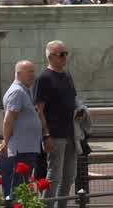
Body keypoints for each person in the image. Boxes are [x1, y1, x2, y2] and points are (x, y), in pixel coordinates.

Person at [37, 40, 80, 203]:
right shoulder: (44, 78)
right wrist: (45, 135)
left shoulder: (67, 75)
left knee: (69, 176)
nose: (64, 57)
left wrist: (80, 111)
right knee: (54, 175)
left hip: (71, 133)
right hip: (55, 134)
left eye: (66, 54)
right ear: (50, 57)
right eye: (61, 54)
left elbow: (73, 100)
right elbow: (39, 109)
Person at [0, 59, 43, 200]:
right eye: (29, 72)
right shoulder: (17, 92)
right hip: (21, 148)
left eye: (33, 72)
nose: (33, 75)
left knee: (22, 185)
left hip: (26, 147)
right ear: (18, 74)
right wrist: (5, 141)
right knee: (18, 186)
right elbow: (9, 119)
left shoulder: (23, 91)